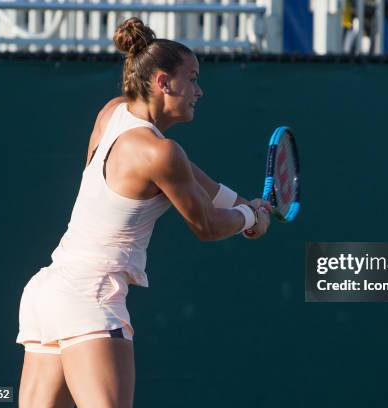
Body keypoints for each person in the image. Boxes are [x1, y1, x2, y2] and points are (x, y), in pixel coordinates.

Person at [16, 17, 271, 408]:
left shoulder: (113, 113)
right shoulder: (162, 154)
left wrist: (243, 203)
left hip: (46, 294)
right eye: (192, 78)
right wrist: (250, 220)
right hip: (91, 297)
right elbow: (205, 225)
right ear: (163, 83)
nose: (199, 91)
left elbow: (201, 184)